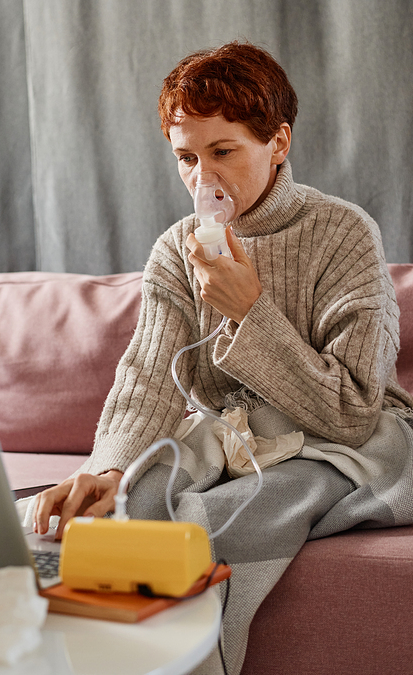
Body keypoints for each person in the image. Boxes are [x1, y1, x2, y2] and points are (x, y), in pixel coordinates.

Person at [29, 40, 413, 674]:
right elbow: (147, 377)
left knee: (226, 517)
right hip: (236, 436)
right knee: (130, 505)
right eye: (185, 157)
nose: (203, 179)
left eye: (223, 152)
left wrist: (249, 311)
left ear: (279, 142)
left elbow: (350, 412)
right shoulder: (176, 250)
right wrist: (111, 467)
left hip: (351, 441)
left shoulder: (344, 232)